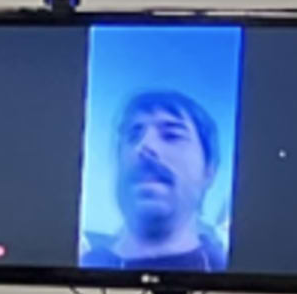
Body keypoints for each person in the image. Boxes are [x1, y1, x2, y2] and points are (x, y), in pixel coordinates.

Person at [80, 90, 228, 277]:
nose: (145, 146)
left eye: (172, 135)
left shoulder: (225, 273)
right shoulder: (85, 266)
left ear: (209, 170)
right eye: (133, 135)